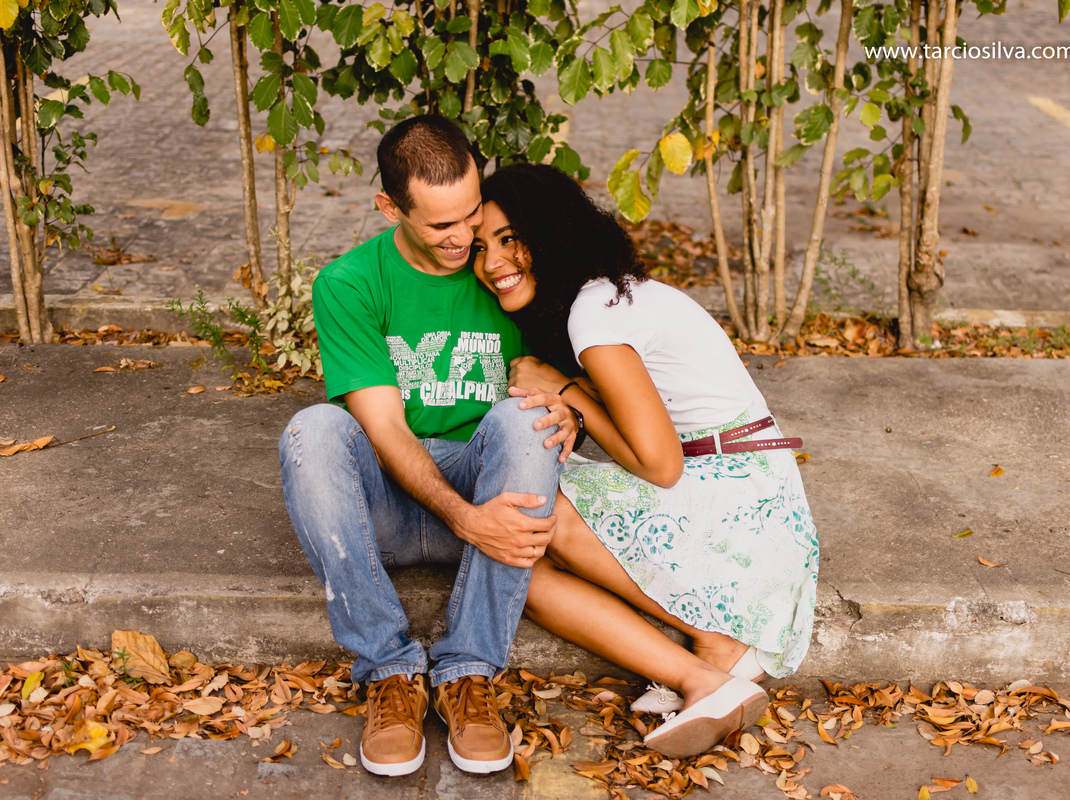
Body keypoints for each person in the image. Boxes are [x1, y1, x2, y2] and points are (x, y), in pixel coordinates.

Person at [471, 162, 819, 759]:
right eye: (480, 247)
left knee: (538, 511)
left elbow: (660, 466)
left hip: (741, 502)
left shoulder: (595, 310)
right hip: (735, 490)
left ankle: (717, 641)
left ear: (550, 233)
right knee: (523, 570)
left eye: (509, 238)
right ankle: (703, 676)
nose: (492, 262)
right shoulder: (599, 299)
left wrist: (565, 388)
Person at [279, 117, 577, 778]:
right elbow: (383, 431)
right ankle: (389, 670)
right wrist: (465, 517)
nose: (464, 239)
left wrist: (570, 408)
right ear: (390, 208)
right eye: (441, 226)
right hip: (392, 507)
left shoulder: (503, 270)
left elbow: (569, 370)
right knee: (312, 430)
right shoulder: (349, 283)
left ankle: (469, 671)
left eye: (471, 215)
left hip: (489, 497)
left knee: (527, 421)